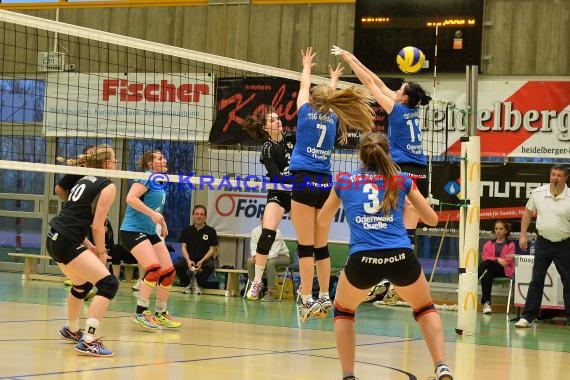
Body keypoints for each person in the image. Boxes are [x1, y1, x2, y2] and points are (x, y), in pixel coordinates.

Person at [317, 132, 453, 380]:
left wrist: (346, 207)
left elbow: (322, 219)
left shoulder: (345, 181)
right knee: (424, 308)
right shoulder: (401, 180)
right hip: (401, 256)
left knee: (344, 311)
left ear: (360, 155)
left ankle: (349, 375)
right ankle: (442, 366)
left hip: (362, 260)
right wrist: (412, 209)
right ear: (387, 153)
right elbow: (433, 220)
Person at [334, 46, 431, 247]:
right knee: (408, 234)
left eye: (399, 90)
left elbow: (370, 84)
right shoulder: (411, 109)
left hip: (401, 171)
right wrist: (355, 59)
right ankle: (403, 275)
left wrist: (349, 61)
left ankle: (387, 271)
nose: (395, 91)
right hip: (421, 173)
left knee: (392, 228)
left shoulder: (395, 109)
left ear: (403, 98)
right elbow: (377, 81)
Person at [49, 145, 119, 357]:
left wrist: (89, 247)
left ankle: (71, 329)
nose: (116, 163)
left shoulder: (84, 178)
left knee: (81, 283)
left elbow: (75, 217)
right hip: (68, 240)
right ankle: (88, 340)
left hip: (54, 236)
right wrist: (100, 252)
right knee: (108, 284)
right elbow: (98, 226)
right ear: (107, 164)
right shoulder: (108, 185)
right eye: (114, 159)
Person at [119, 149, 181, 330]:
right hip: (132, 231)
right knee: (153, 269)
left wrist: (162, 222)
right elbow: (131, 199)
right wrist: (153, 214)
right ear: (149, 164)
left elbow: (153, 209)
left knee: (168, 272)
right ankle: (140, 312)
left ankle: (160, 313)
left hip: (149, 231)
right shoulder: (146, 176)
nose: (165, 160)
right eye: (160, 158)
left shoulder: (158, 181)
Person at [241, 106, 295, 300]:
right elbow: (276, 177)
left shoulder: (291, 139)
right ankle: (256, 283)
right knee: (267, 233)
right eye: (272, 121)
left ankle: (308, 290)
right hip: (279, 192)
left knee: (308, 238)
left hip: (296, 194)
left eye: (278, 118)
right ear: (265, 128)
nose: (278, 121)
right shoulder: (268, 148)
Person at [515, 164, 570, 328]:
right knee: (537, 279)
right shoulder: (538, 193)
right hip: (543, 243)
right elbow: (527, 213)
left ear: (565, 178)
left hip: (565, 244)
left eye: (559, 175)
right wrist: (523, 235)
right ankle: (528, 316)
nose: (555, 178)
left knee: (569, 280)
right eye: (553, 174)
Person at [174, 205, 219, 295]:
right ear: (193, 215)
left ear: (205, 217)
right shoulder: (186, 231)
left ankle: (198, 284)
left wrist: (202, 261)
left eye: (202, 214)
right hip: (189, 259)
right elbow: (183, 248)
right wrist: (188, 261)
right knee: (177, 265)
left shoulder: (211, 231)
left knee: (210, 266)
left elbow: (212, 250)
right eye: (197, 214)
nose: (199, 216)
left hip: (204, 259)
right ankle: (187, 284)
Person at [246, 218, 291, 302]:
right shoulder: (255, 231)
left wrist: (260, 258)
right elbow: (253, 248)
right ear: (261, 220)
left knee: (271, 262)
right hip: (262, 256)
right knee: (250, 261)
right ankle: (254, 289)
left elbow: (274, 253)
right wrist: (254, 256)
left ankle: (271, 292)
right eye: (265, 220)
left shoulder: (277, 232)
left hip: (282, 256)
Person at [478, 219, 515, 314]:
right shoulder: (489, 244)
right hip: (491, 268)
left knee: (488, 263)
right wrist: (498, 259)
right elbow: (484, 257)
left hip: (504, 270)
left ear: (506, 231)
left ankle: (473, 278)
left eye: (501, 229)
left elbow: (508, 261)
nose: (498, 231)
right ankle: (486, 304)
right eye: (496, 229)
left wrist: (494, 260)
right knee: (487, 275)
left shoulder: (510, 244)